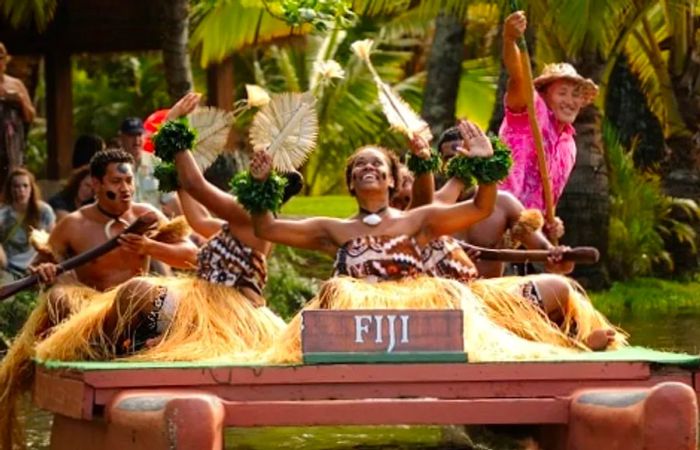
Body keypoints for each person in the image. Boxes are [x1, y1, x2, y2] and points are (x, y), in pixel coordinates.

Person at [407, 124, 618, 351]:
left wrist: (559, 258)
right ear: (442, 166)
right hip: (441, 302)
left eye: (467, 152)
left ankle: (574, 341)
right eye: (451, 158)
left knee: (558, 287)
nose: (461, 162)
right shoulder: (430, 205)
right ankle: (569, 346)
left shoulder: (504, 203)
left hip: (492, 300)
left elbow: (548, 256)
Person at [498, 11, 598, 238]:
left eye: (576, 95)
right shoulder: (532, 110)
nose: (570, 101)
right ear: (545, 94)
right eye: (562, 93)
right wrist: (509, 39)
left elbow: (547, 200)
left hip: (531, 234)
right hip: (498, 219)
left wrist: (552, 221)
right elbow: (518, 76)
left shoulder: (569, 145)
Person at [0, 168, 55, 281]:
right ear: (10, 189)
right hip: (10, 270)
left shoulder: (44, 211)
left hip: (38, 269)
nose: (21, 190)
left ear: (31, 188)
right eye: (16, 186)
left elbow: (54, 240)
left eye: (25, 186)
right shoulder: (3, 215)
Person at [0, 43, 35, 188]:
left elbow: (30, 116)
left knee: (14, 181)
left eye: (1, 58)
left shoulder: (15, 84)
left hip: (13, 145)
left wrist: (19, 99)